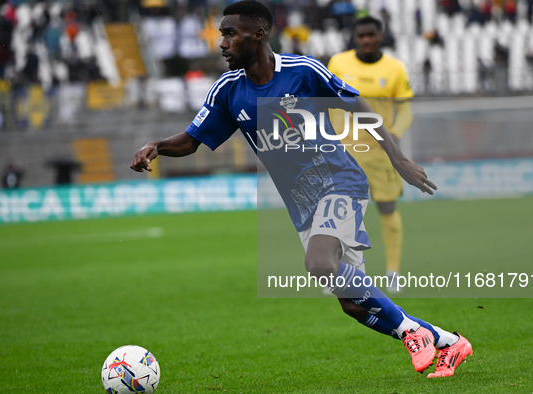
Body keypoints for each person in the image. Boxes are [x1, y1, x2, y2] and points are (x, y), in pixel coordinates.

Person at [131, 0, 472, 378]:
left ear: (257, 34)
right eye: (221, 34)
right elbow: (192, 140)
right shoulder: (227, 91)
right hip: (302, 204)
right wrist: (157, 146)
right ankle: (448, 342)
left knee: (319, 263)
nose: (222, 42)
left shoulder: (303, 71)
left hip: (340, 182)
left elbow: (357, 105)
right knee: (354, 305)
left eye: (229, 33)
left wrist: (397, 159)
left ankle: (412, 333)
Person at [327, 16, 413, 292]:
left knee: (387, 208)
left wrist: (395, 135)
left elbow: (406, 109)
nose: (365, 40)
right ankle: (334, 272)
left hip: (379, 153)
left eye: (370, 35)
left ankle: (393, 272)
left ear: (380, 36)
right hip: (344, 154)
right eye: (360, 35)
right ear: (354, 37)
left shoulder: (395, 68)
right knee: (337, 213)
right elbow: (326, 104)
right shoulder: (338, 63)